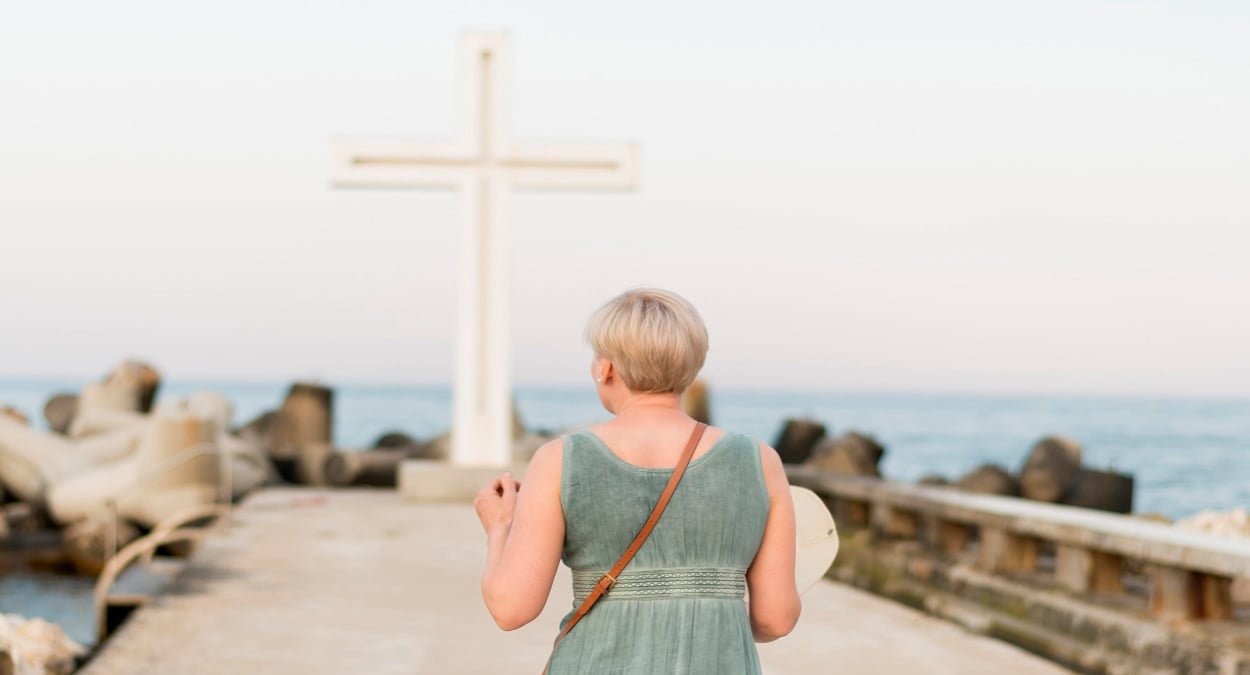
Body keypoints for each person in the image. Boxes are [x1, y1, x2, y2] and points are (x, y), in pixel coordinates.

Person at [474, 288, 800, 673]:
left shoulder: (561, 460)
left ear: (605, 368)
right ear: (690, 367)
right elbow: (775, 619)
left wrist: (500, 529)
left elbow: (511, 609)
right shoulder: (758, 461)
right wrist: (708, 603)